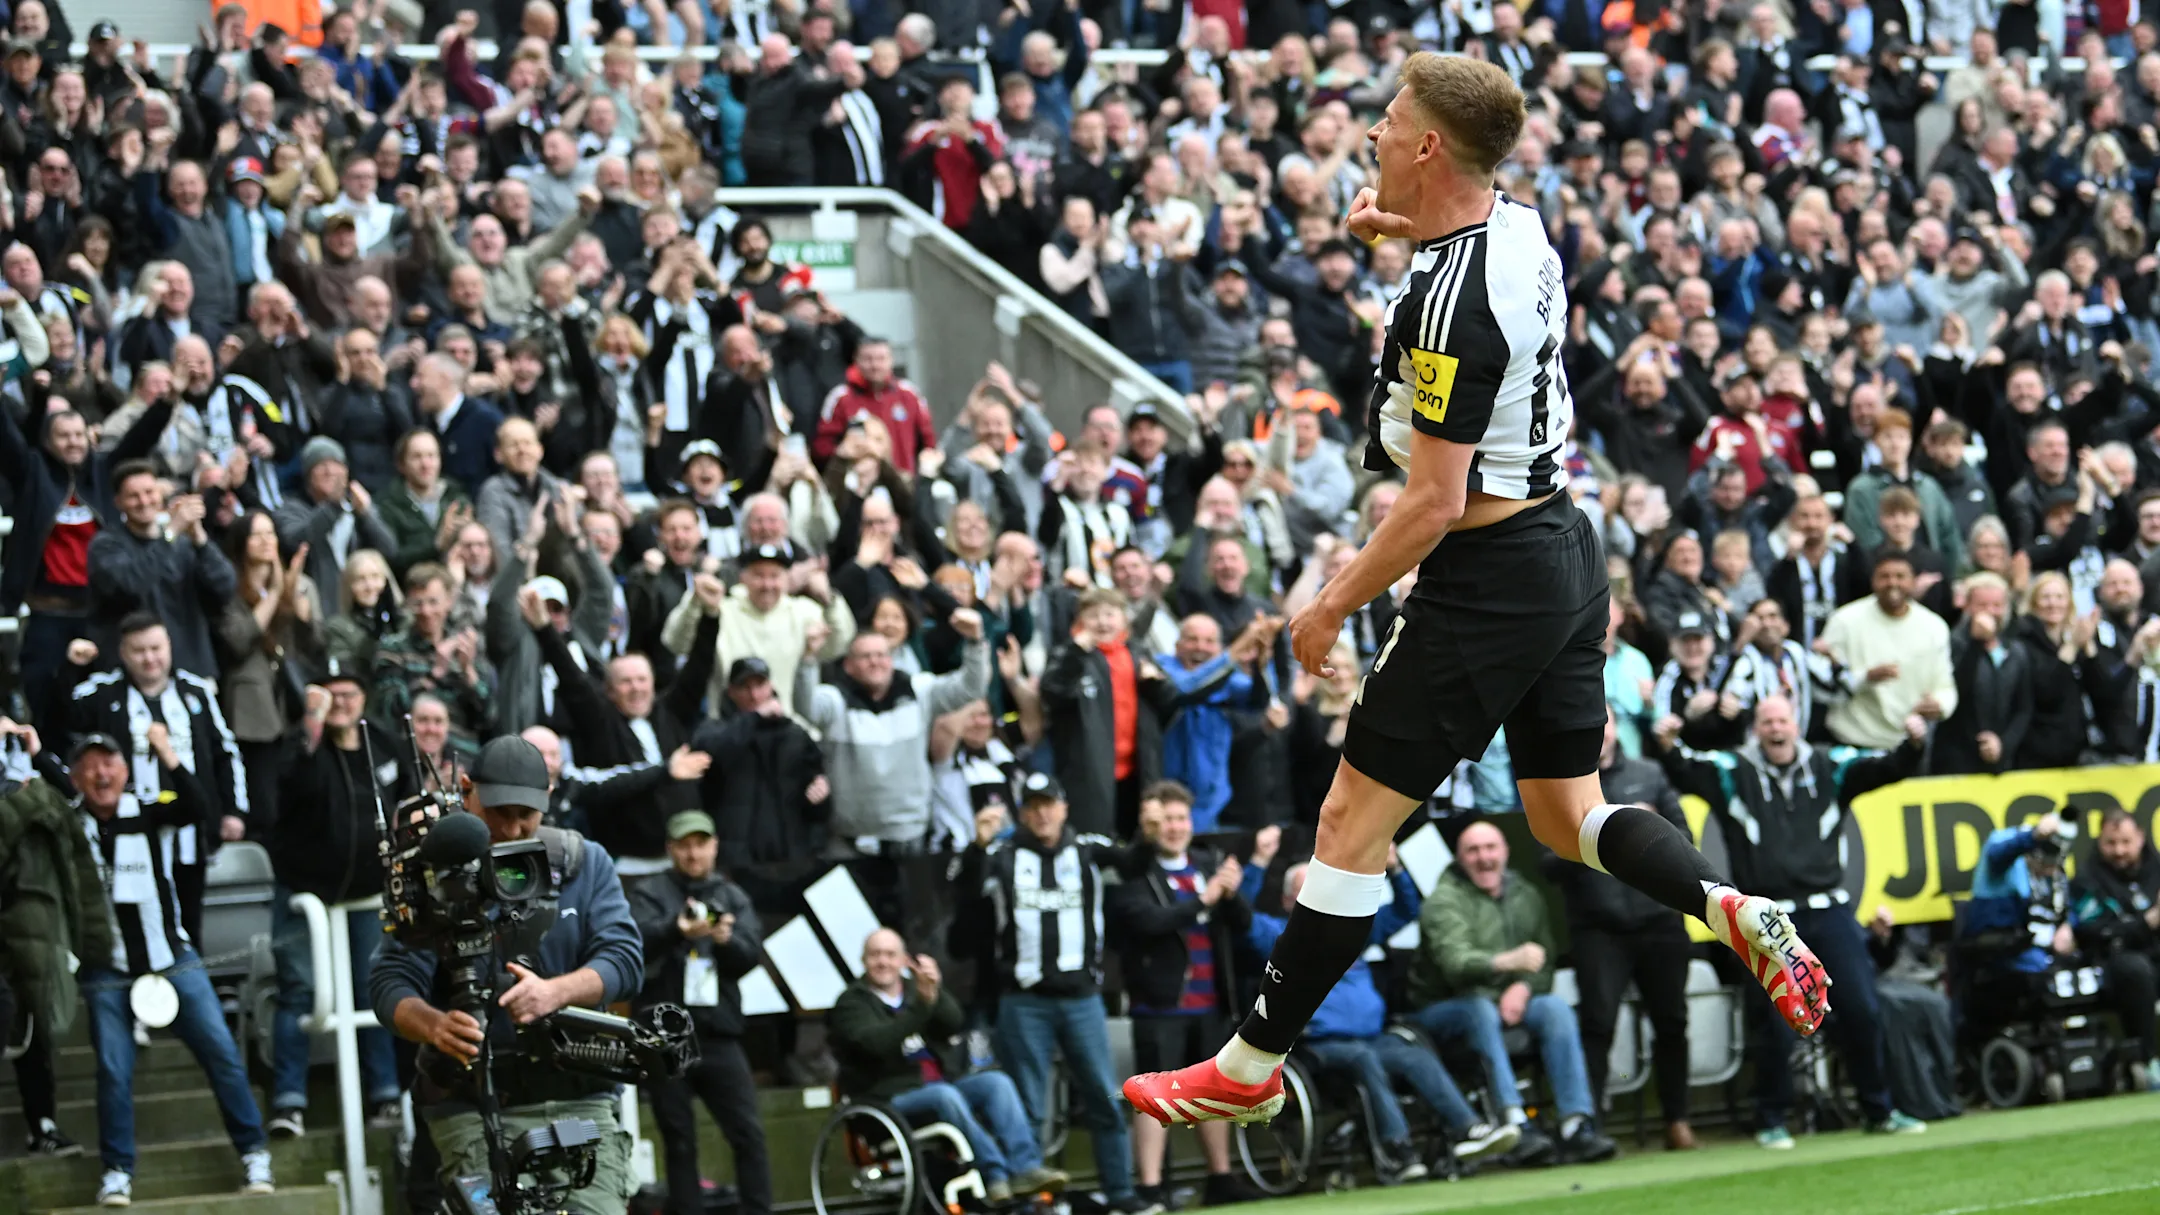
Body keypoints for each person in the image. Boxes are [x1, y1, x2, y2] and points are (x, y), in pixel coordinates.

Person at [1127, 54, 1832, 1126]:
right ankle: (1725, 902)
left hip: (1489, 571)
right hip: (1563, 544)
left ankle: (1251, 1065)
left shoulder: (1460, 302)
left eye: (1387, 119)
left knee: (1347, 822)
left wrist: (1323, 605)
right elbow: (1460, 261)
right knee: (1566, 813)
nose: (1370, 134)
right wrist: (1396, 240)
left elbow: (1432, 502)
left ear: (1425, 147)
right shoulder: (1517, 224)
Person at [370, 736, 645, 1215]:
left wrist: (555, 993)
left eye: (527, 814)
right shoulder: (433, 872)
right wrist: (434, 1025)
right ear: (467, 788)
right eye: (499, 813)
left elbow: (624, 958)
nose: (513, 827)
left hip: (577, 1093)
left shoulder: (582, 862)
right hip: (470, 1101)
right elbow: (389, 980)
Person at [1654, 697, 1930, 1146]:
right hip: (1767, 916)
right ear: (1755, 729)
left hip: (1829, 906)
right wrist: (1666, 744)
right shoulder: (1731, 770)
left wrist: (1915, 745)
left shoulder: (1832, 764)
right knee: (1774, 1020)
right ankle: (1771, 1118)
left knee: (1862, 1007)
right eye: (1767, 722)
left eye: (1783, 720)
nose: (1776, 729)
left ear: (1797, 723)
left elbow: (1885, 767)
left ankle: (1878, 1109)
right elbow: (1686, 767)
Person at [52, 731, 275, 1206]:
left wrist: (168, 754)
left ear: (125, 770)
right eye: (88, 766)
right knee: (113, 1069)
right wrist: (31, 753)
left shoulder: (152, 808)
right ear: (75, 777)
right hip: (106, 968)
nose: (101, 773)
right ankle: (116, 1171)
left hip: (172, 959)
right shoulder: (68, 826)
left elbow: (199, 805)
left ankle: (255, 1152)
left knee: (221, 1051)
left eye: (109, 762)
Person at [1262, 851, 1520, 1180]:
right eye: (1304, 889)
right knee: (1363, 1058)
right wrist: (1257, 864)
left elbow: (1406, 909)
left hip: (1371, 1038)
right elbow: (1240, 923)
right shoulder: (1275, 937)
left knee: (1415, 1057)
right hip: (1318, 1046)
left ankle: (1468, 1130)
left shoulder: (1351, 931)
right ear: (1288, 901)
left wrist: (1396, 869)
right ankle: (1398, 1151)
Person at [958, 774, 1140, 1212]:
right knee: (1028, 1108)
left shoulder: (1088, 849)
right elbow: (965, 896)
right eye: (1033, 806)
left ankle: (1120, 1193)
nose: (1042, 813)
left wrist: (1150, 832)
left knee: (1105, 1097)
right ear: (1022, 812)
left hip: (1081, 998)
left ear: (1064, 808)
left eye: (1049, 804)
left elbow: (1136, 864)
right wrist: (976, 847)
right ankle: (1030, 1202)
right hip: (1025, 1001)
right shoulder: (1002, 854)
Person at [1406, 820, 1617, 1165]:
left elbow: (1543, 962)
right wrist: (1507, 963)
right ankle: (1514, 1124)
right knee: (1479, 1009)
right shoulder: (1443, 900)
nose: (1483, 857)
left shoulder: (1525, 894)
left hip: (1506, 1004)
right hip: (1443, 1010)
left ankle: (1576, 1125)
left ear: (1504, 852)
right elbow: (1454, 964)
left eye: (1490, 848)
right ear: (1459, 859)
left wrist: (1522, 987)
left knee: (1554, 1008)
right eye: (1473, 850)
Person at [266, 662, 416, 1137]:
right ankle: (289, 1101)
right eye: (332, 696)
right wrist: (311, 719)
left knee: (374, 990)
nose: (341, 703)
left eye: (350, 693)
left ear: (364, 698)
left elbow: (410, 807)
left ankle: (385, 1094)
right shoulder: (302, 745)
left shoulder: (386, 747)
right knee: (299, 992)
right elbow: (286, 785)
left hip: (369, 898)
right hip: (305, 895)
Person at [1544, 709, 1698, 1150]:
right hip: (1599, 928)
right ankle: (1590, 1124)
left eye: (1605, 722)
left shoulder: (1650, 774)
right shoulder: (1562, 785)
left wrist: (1651, 827)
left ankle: (1678, 1120)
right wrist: (1594, 836)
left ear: (1615, 729)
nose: (1599, 731)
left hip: (1659, 921)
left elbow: (1686, 841)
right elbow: (1547, 862)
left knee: (1672, 1022)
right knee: (1597, 1025)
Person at [828, 929, 1069, 1204]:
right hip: (888, 1100)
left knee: (996, 1083)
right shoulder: (851, 1003)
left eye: (890, 955)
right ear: (863, 960)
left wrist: (935, 991)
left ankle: (1026, 1167)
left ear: (904, 960)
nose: (883, 962)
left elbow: (954, 1022)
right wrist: (922, 1007)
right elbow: (877, 1043)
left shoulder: (914, 989)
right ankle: (995, 1174)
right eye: (875, 955)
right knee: (945, 1095)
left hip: (940, 1086)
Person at [1106, 786, 1258, 1208]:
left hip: (1210, 1001)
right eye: (1167, 819)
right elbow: (1147, 922)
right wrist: (1202, 900)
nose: (1175, 828)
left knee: (1213, 1092)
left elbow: (1240, 922)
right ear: (1152, 826)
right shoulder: (1134, 872)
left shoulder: (1208, 864)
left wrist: (1231, 891)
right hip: (1159, 1003)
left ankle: (1220, 1178)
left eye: (1181, 819)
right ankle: (1151, 1188)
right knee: (1155, 1096)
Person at [66, 616, 250, 947]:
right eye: (139, 651)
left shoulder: (196, 692)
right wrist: (71, 668)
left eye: (156, 648)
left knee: (190, 922)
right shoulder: (102, 692)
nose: (150, 659)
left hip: (190, 830)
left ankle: (189, 982)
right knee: (141, 917)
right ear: (123, 653)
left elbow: (225, 752)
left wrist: (233, 810)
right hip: (134, 831)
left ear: (170, 646)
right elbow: (62, 720)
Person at [630, 811, 773, 1215]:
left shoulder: (731, 896)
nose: (694, 853)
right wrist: (677, 930)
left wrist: (726, 940)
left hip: (719, 1033)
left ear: (714, 846)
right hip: (664, 1037)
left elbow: (751, 955)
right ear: (671, 849)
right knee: (678, 1138)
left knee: (749, 1133)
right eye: (685, 844)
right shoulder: (649, 892)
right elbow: (633, 944)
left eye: (701, 843)